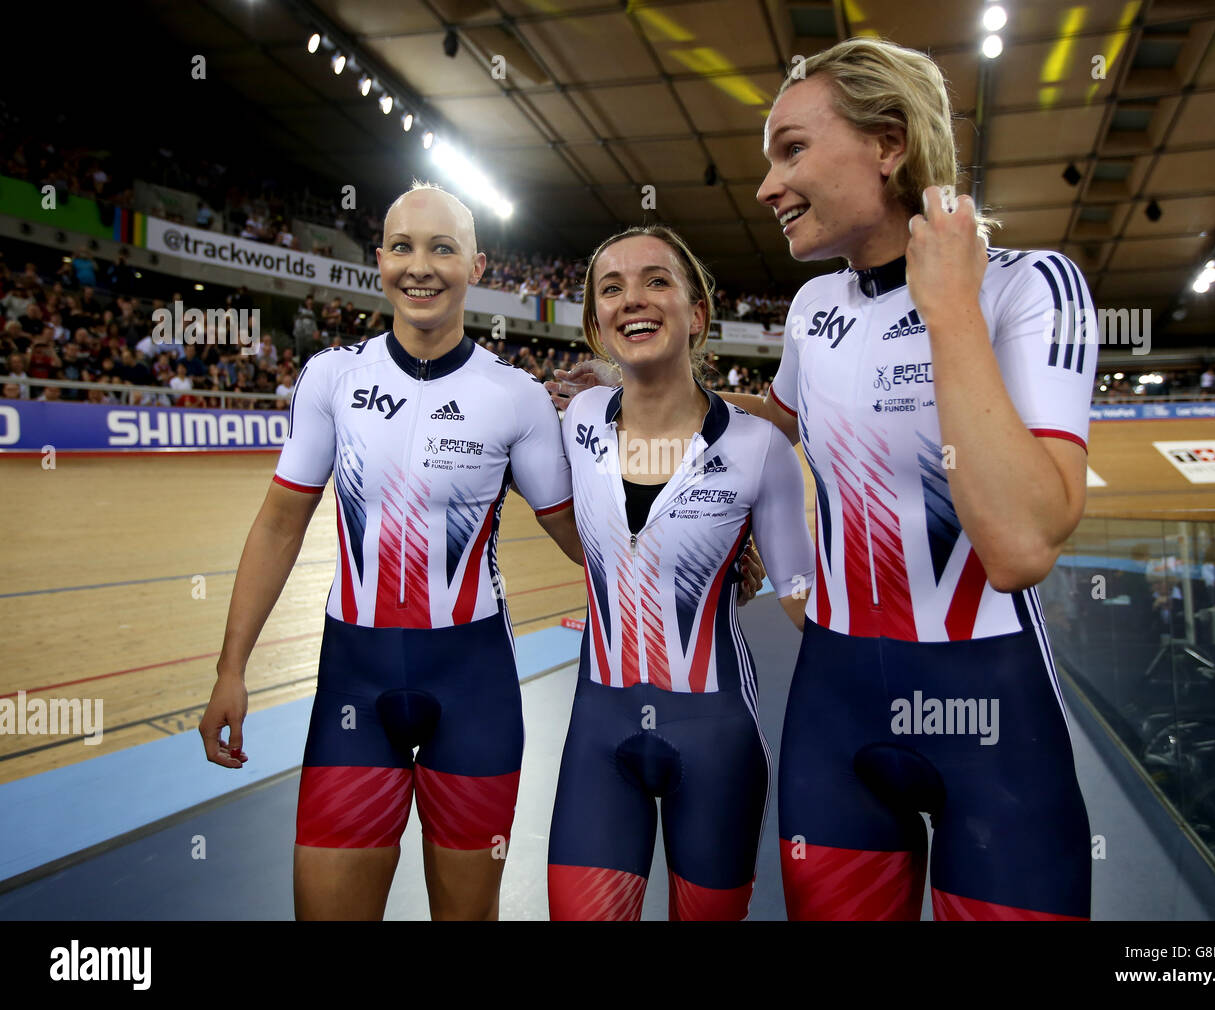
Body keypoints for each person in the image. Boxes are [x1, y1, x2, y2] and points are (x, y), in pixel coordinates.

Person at [549, 36, 1098, 921]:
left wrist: (948, 303)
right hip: (835, 709)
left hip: (991, 712)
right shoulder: (814, 309)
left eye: (792, 150)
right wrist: (638, 389)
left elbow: (1021, 542)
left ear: (889, 144)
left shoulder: (1029, 288)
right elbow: (771, 425)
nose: (767, 185)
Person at [198, 182, 585, 921]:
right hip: (355, 688)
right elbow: (280, 525)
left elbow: (577, 537)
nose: (421, 266)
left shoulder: (518, 398)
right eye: (403, 246)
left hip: (475, 691)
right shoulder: (333, 378)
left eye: (442, 248)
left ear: (475, 264)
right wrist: (230, 669)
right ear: (379, 260)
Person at [547, 225, 814, 921]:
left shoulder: (760, 450)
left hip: (717, 737)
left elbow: (800, 599)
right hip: (596, 738)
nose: (633, 298)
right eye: (612, 288)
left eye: (656, 280)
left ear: (697, 315)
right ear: (597, 325)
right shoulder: (575, 420)